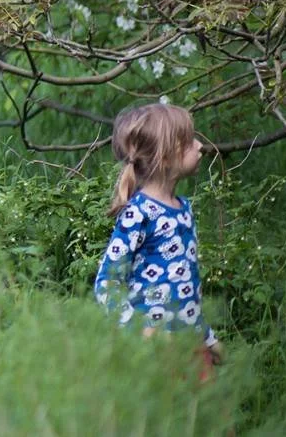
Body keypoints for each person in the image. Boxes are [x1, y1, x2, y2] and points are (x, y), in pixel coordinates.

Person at [94, 101, 221, 370]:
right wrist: (141, 331)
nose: (200, 146)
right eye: (188, 142)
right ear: (165, 157)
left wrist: (208, 339)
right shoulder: (138, 214)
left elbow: (186, 286)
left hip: (190, 346)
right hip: (153, 353)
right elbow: (107, 283)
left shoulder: (183, 208)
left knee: (200, 410)